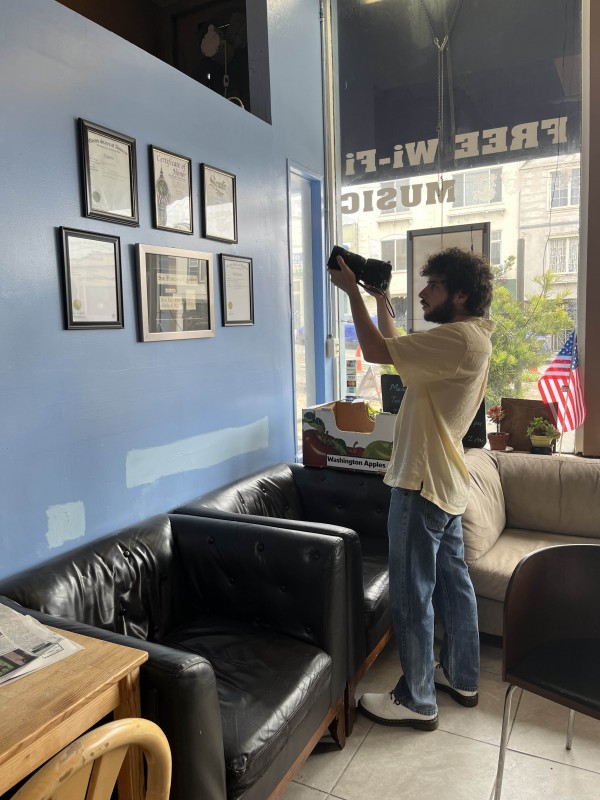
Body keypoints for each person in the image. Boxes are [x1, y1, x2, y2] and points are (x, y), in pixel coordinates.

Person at [328, 246, 495, 731]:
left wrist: (350, 294)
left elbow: (376, 352)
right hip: (446, 481)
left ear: (460, 294)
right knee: (454, 587)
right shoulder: (471, 337)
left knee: (412, 594)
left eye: (433, 286)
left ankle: (417, 698)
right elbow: (398, 353)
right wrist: (380, 300)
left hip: (420, 484)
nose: (422, 293)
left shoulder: (456, 338)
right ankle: (461, 676)